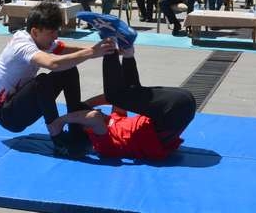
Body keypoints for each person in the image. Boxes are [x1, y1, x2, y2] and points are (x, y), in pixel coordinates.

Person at [49, 14, 196, 160]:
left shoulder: (114, 120)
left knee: (130, 92)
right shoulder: (102, 143)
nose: (97, 111)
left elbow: (114, 102)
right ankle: (110, 38)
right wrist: (61, 121)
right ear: (86, 128)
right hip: (170, 118)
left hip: (177, 105)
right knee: (117, 96)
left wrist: (85, 104)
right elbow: (95, 117)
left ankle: (126, 49)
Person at [0, 2, 117, 156]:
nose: (55, 36)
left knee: (69, 68)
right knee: (41, 81)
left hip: (19, 103)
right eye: (51, 32)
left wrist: (103, 50)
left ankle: (76, 129)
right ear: (35, 32)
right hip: (8, 116)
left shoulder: (38, 38)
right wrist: (92, 53)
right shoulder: (22, 45)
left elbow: (64, 50)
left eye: (57, 31)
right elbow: (52, 63)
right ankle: (57, 137)